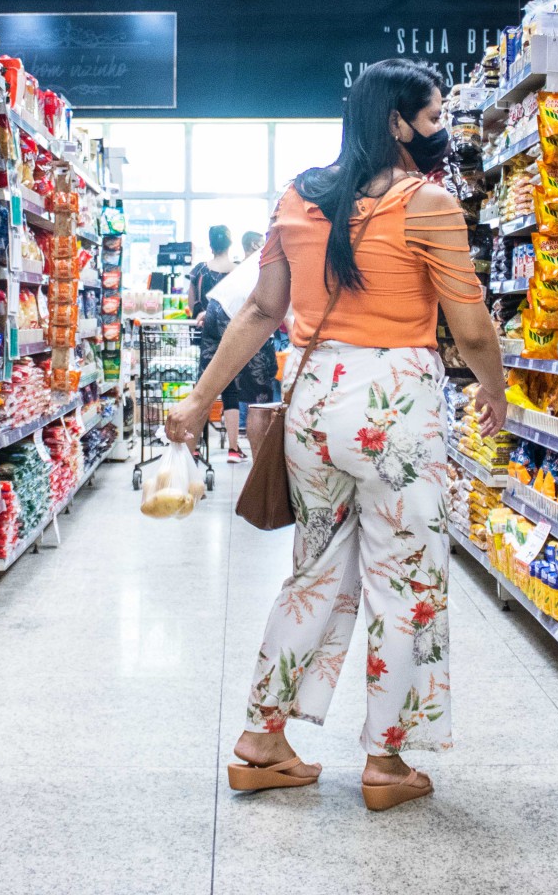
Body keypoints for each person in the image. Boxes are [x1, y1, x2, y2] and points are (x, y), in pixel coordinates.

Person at [166, 59, 506, 812]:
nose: (439, 128)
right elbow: (471, 325)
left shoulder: (298, 196)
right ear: (397, 122)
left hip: (315, 407)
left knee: (315, 573)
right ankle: (386, 764)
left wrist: (198, 401)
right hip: (397, 408)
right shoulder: (428, 203)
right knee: (406, 582)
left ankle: (262, 739)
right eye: (433, 115)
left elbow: (259, 313)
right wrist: (495, 389)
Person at [191, 226, 244, 458]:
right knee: (231, 390)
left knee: (203, 389)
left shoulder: (200, 270)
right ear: (230, 244)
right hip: (233, 333)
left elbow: (192, 301)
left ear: (211, 244)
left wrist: (199, 314)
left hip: (208, 334)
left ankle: (193, 447)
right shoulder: (238, 270)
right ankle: (233, 448)